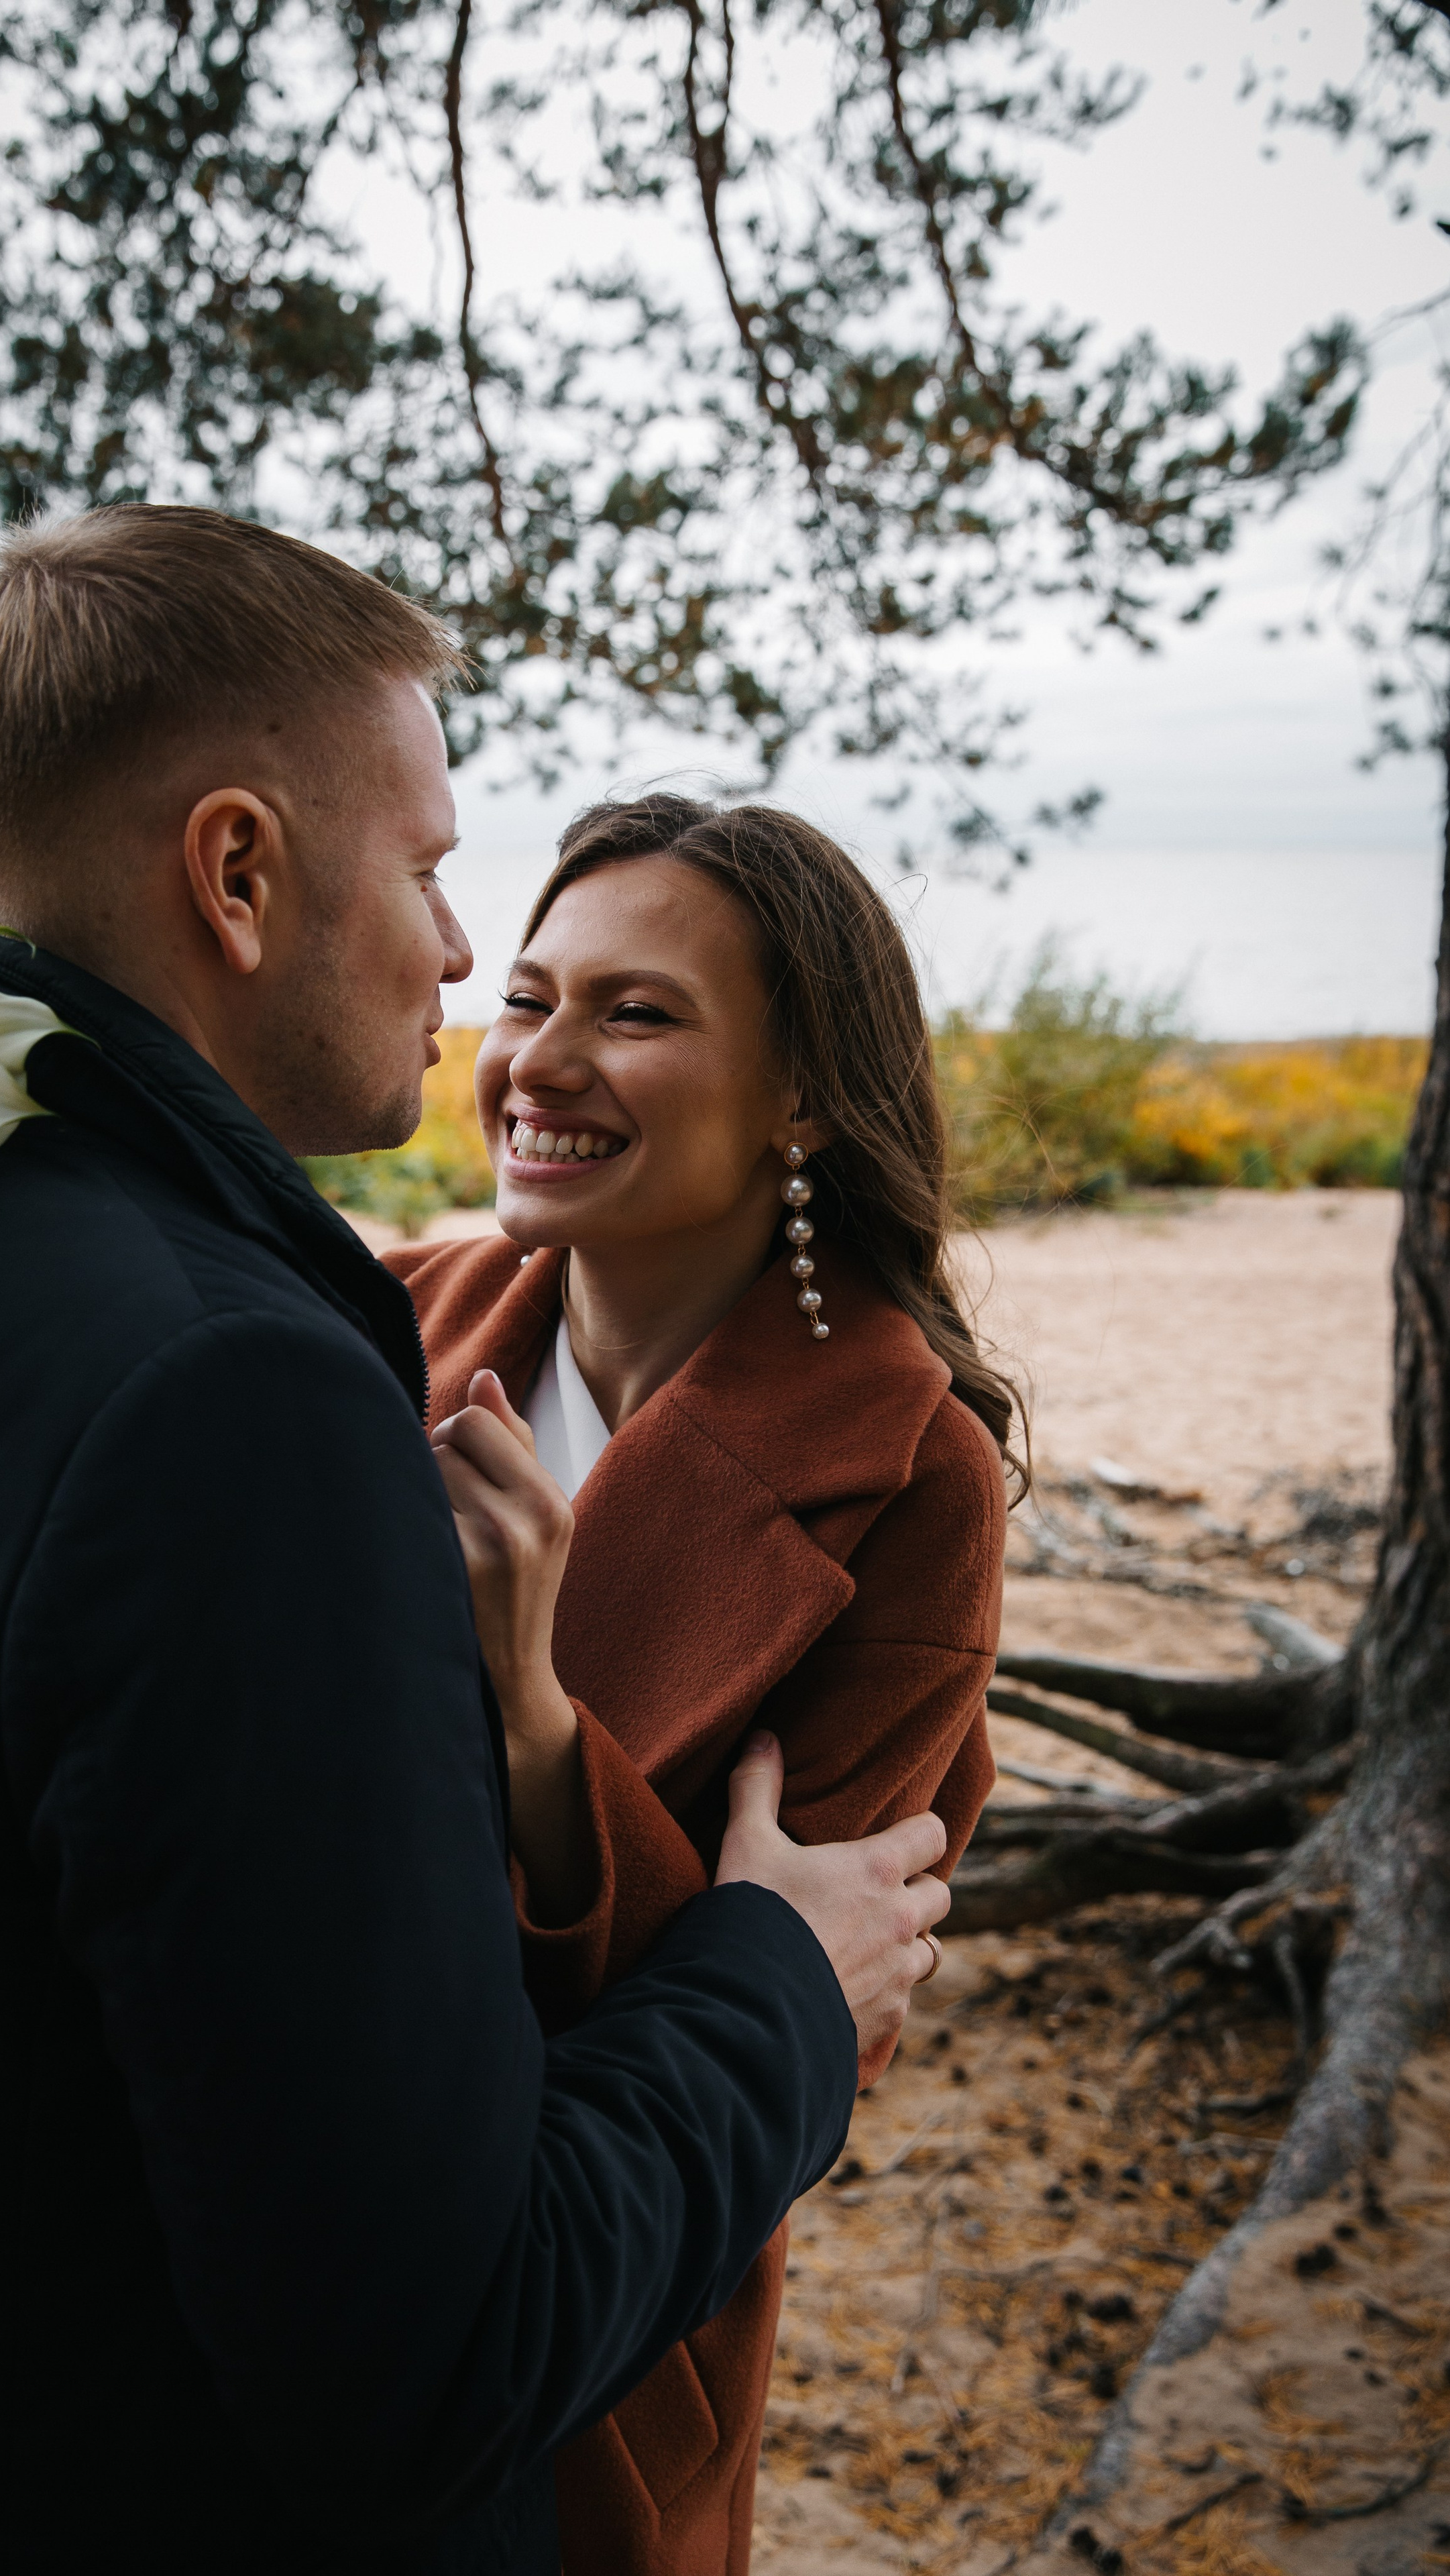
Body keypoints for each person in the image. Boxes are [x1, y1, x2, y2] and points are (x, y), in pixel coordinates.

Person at [0, 508, 954, 2576]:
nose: (465, 962)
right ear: (237, 873)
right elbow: (425, 2357)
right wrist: (780, 1985)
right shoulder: (237, 1383)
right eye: (430, 870)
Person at [392, 794, 1017, 2576]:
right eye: (527, 997)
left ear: (803, 1096)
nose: (537, 1061)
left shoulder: (913, 1470)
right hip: (317, 2198)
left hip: (618, 2283)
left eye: (636, 1013)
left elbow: (805, 1994)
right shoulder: (383, 1323)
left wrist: (536, 1731)